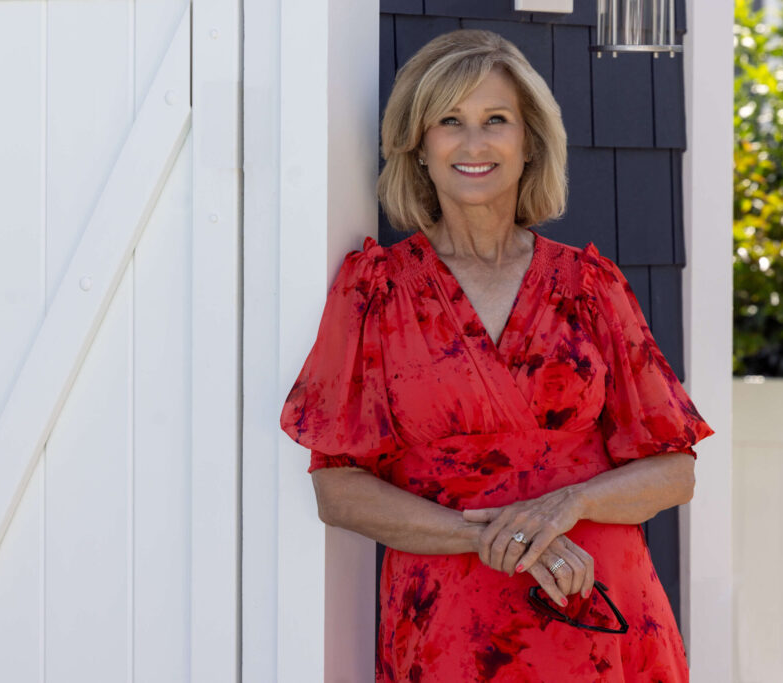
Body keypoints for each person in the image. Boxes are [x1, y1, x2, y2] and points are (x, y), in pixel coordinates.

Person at [280, 29, 714, 682]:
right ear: (418, 146)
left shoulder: (590, 287)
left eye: (496, 120)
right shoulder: (375, 290)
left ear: (529, 142)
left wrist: (566, 506)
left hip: (597, 606)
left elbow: (674, 471)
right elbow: (336, 489)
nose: (474, 143)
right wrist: (496, 538)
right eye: (450, 121)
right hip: (451, 627)